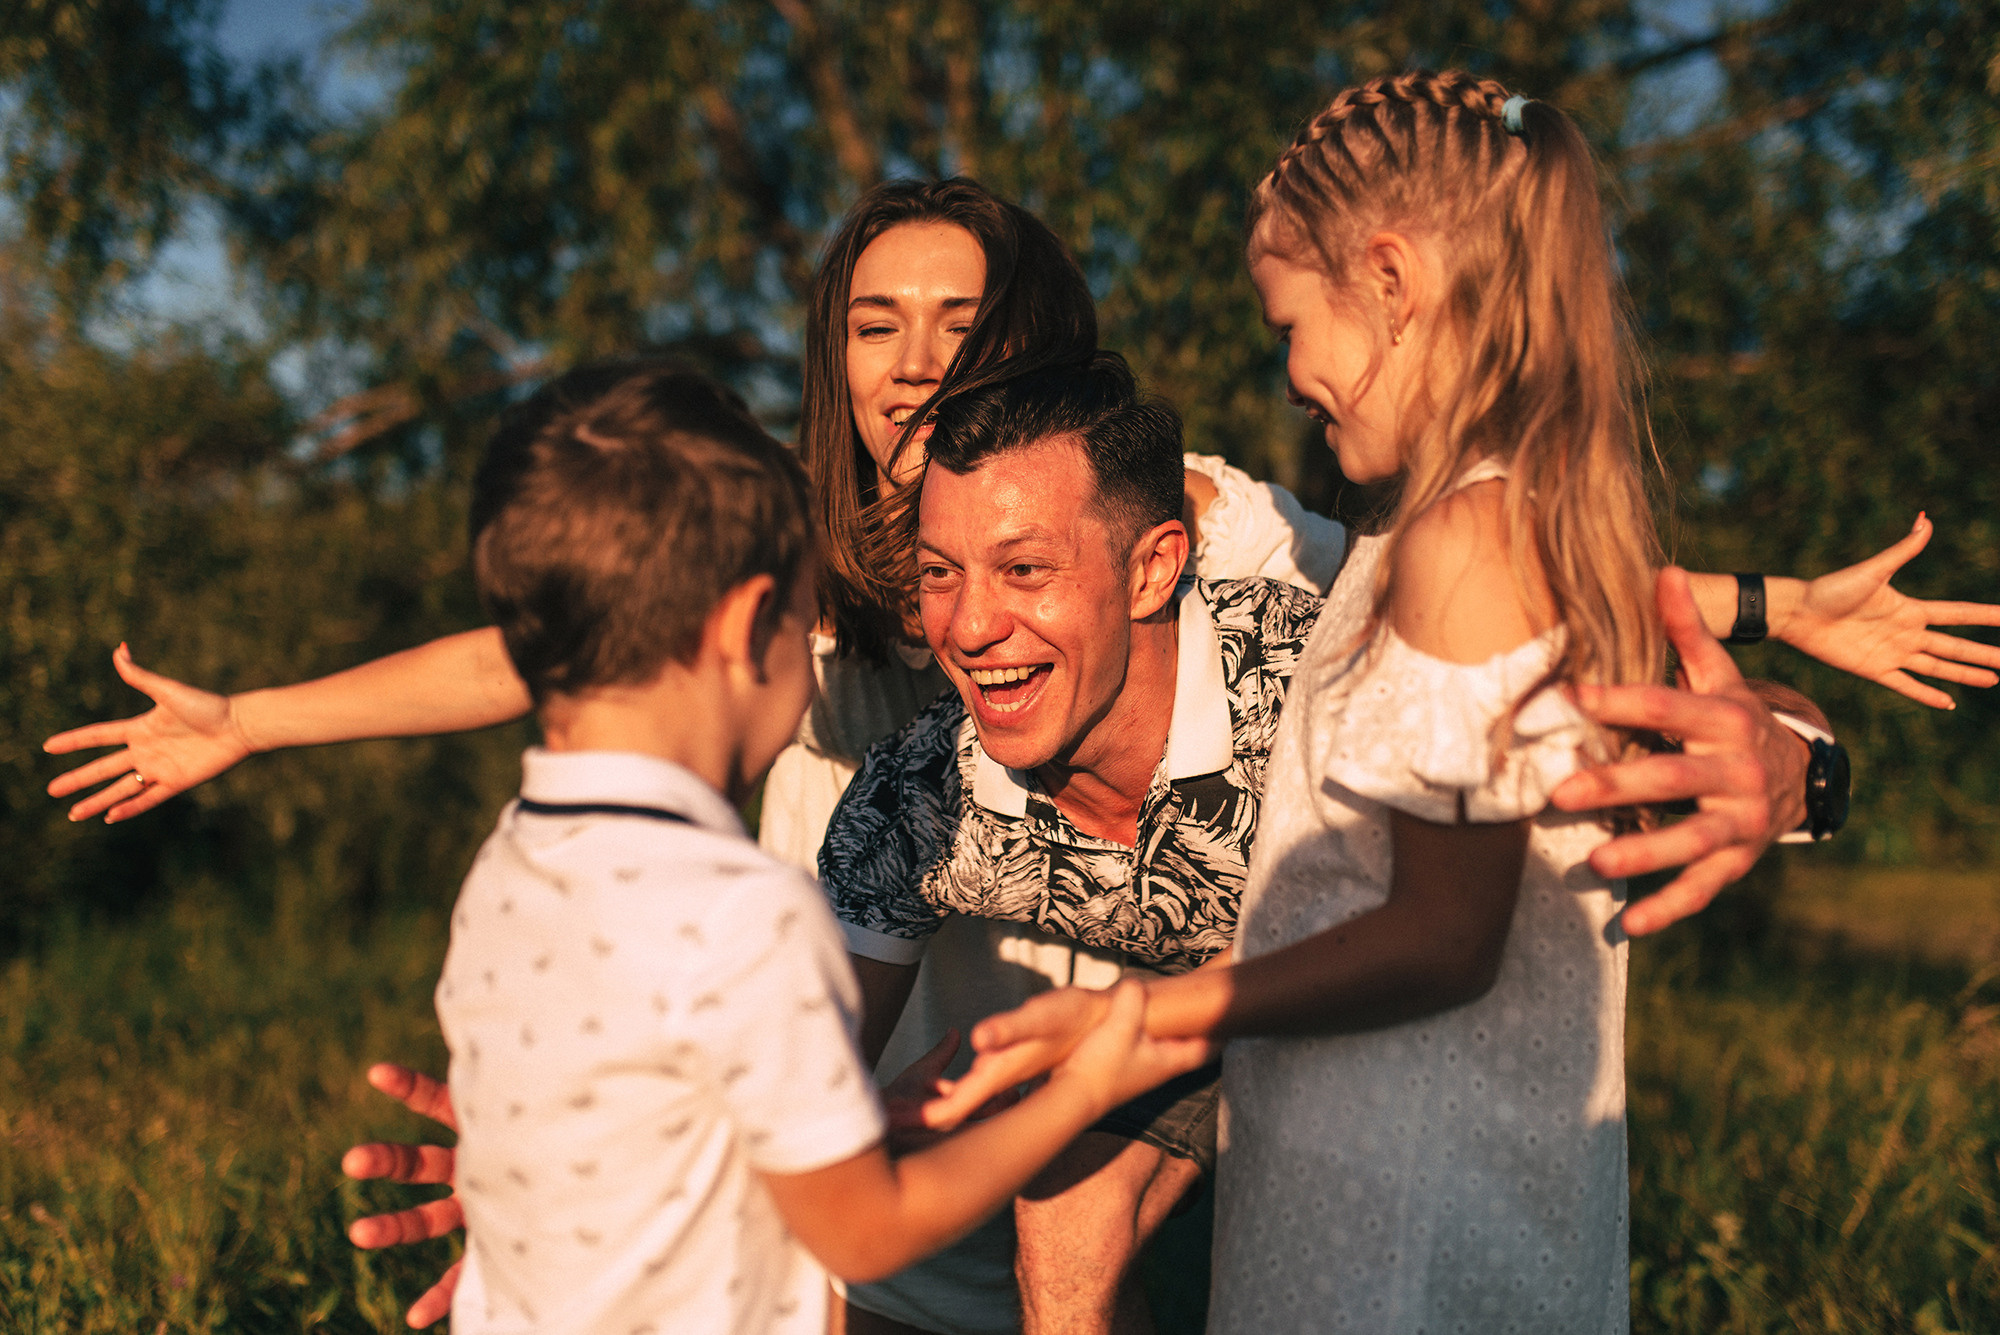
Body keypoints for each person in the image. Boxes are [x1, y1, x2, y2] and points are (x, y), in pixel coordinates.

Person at [41, 181, 2000, 1333]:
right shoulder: (820, 647)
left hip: (1225, 1204)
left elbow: (1501, 599)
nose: (912, 359)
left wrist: (1769, 677)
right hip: (890, 1251)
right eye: (874, 324)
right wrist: (598, 1147)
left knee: (1112, 1139)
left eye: (957, 320)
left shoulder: (1238, 565)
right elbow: (556, 649)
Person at [916, 71, 1943, 1332]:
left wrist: (1142, 1015)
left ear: (1390, 285)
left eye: (1290, 324)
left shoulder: (1460, 539)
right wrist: (1777, 604)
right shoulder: (1480, 530)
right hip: (1430, 1219)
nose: (1291, 376)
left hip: (1399, 1244)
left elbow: (1444, 933)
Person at [429, 358, 1208, 1334]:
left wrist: (856, 1125)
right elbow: (863, 1238)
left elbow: (660, 1121)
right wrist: (1084, 1083)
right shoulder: (742, 912)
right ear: (750, 629)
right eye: (803, 624)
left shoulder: (508, 866)